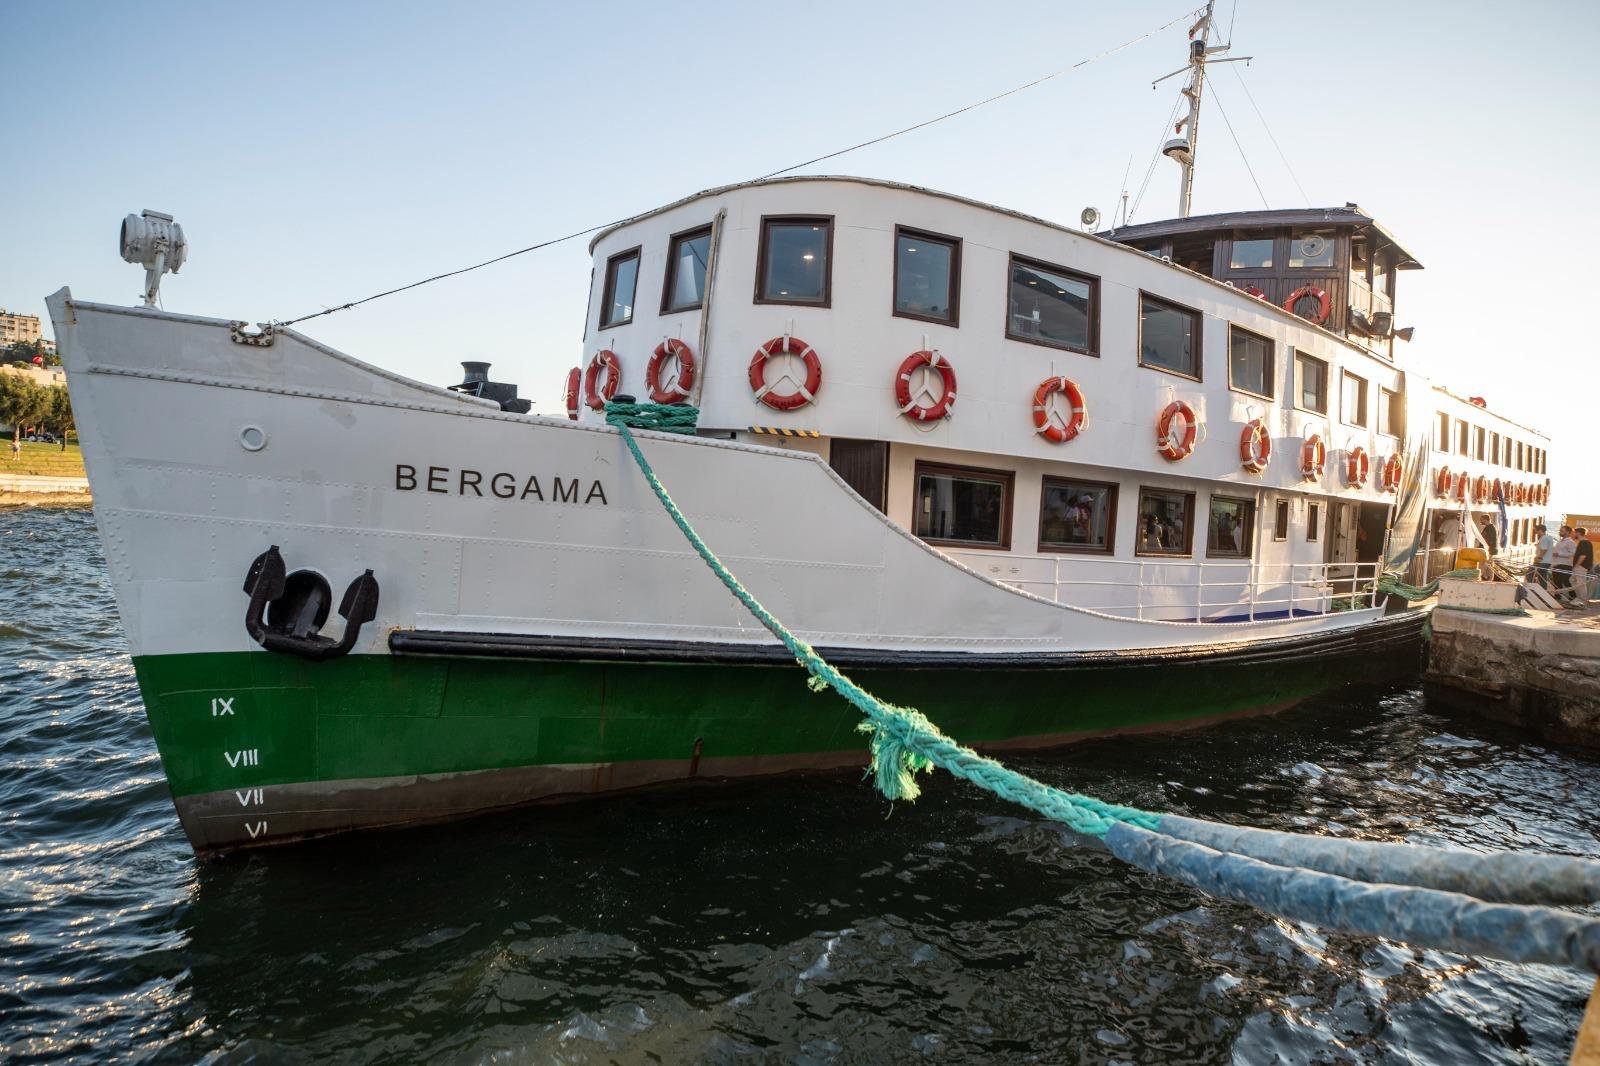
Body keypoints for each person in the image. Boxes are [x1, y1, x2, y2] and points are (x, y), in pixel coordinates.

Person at [1552, 525, 1579, 606]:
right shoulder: (1560, 541)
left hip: (1565, 565)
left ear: (1567, 532)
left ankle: (1573, 597)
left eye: (1562, 531)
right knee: (1556, 582)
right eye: (1560, 531)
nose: (1560, 532)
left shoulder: (1570, 542)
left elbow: (1572, 553)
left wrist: (1559, 554)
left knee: (1566, 582)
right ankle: (1557, 597)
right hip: (1556, 564)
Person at [1572, 527, 1594, 607]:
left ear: (1578, 533)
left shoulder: (1584, 542)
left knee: (1580, 583)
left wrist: (1577, 565)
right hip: (1581, 566)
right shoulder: (1584, 542)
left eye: (1575, 533)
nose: (1574, 534)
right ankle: (1579, 598)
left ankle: (1583, 600)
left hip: (1581, 566)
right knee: (1573, 580)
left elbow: (1583, 555)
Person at [1533, 524, 1556, 588]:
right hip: (1547, 561)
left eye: (1536, 530)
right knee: (1542, 577)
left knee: (1530, 574)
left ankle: (1531, 589)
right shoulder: (1549, 538)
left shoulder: (1544, 538)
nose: (1535, 532)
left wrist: (1539, 557)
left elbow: (1544, 549)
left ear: (1540, 530)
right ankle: (1543, 590)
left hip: (1542, 561)